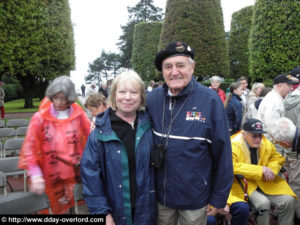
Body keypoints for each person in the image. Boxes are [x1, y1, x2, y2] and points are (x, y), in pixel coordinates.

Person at [147, 41, 233, 225]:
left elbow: (223, 152)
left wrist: (219, 197)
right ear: (162, 71)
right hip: (160, 197)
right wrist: (100, 122)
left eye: (180, 65)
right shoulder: (152, 99)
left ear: (192, 67)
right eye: (168, 66)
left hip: (195, 198)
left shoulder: (210, 100)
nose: (174, 71)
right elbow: (125, 116)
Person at [80, 70, 157, 224]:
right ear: (114, 95)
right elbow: (91, 176)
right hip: (115, 212)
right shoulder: (100, 133)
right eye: (122, 92)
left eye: (134, 92)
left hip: (147, 211)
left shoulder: (150, 126)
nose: (127, 97)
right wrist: (103, 213)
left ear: (141, 96)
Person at [18, 76, 91, 214]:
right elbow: (30, 147)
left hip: (75, 173)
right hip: (50, 175)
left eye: (63, 98)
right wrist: (35, 174)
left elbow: (91, 138)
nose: (59, 102)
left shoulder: (79, 115)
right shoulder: (40, 117)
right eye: (56, 97)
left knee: (77, 208)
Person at [230, 118, 296, 225]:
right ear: (243, 134)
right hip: (243, 184)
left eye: (260, 135)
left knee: (288, 200)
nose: (258, 139)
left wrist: (271, 170)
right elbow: (231, 166)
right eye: (254, 136)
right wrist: (260, 170)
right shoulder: (233, 144)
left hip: (265, 182)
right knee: (263, 203)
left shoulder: (265, 142)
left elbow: (277, 158)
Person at [255, 74, 298, 154]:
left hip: (270, 144)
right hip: (271, 146)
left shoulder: (274, 98)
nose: (291, 88)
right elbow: (272, 129)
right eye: (288, 85)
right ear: (279, 85)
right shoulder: (274, 101)